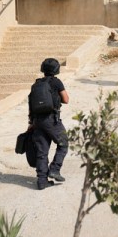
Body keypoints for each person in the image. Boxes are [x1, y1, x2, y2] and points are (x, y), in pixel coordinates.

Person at [29, 58, 69, 190]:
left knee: (42, 150)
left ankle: (42, 181)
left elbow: (31, 104)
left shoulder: (36, 84)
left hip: (37, 121)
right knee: (63, 143)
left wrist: (31, 123)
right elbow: (66, 99)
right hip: (51, 120)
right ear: (56, 70)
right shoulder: (56, 82)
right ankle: (55, 169)